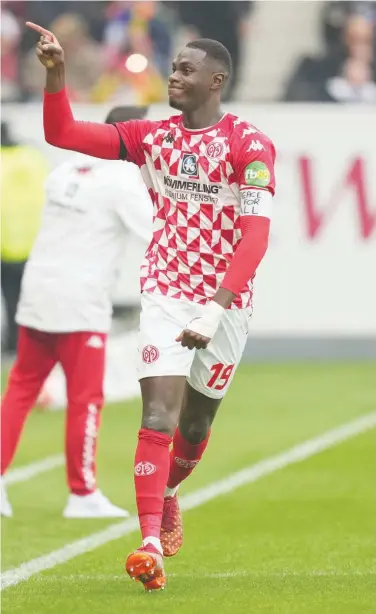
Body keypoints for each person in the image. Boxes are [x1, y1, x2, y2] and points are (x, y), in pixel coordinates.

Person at [26, 21, 276, 591]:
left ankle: (166, 494)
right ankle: (146, 545)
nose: (173, 75)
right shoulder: (151, 138)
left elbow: (256, 236)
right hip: (164, 291)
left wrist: (218, 305)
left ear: (216, 81)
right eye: (173, 67)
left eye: (186, 69)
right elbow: (63, 131)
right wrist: (57, 74)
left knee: (195, 422)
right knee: (157, 414)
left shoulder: (249, 145)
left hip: (224, 304)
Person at [0, 105, 153, 520]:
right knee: (85, 397)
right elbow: (156, 232)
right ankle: (82, 492)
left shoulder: (66, 169)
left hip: (38, 289)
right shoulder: (122, 180)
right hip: (79, 301)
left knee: (21, 388)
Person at [1, 121, 49, 355]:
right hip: (36, 245)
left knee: (11, 300)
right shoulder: (33, 157)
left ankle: (14, 346)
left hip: (6, 247)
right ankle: (37, 345)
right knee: (34, 301)